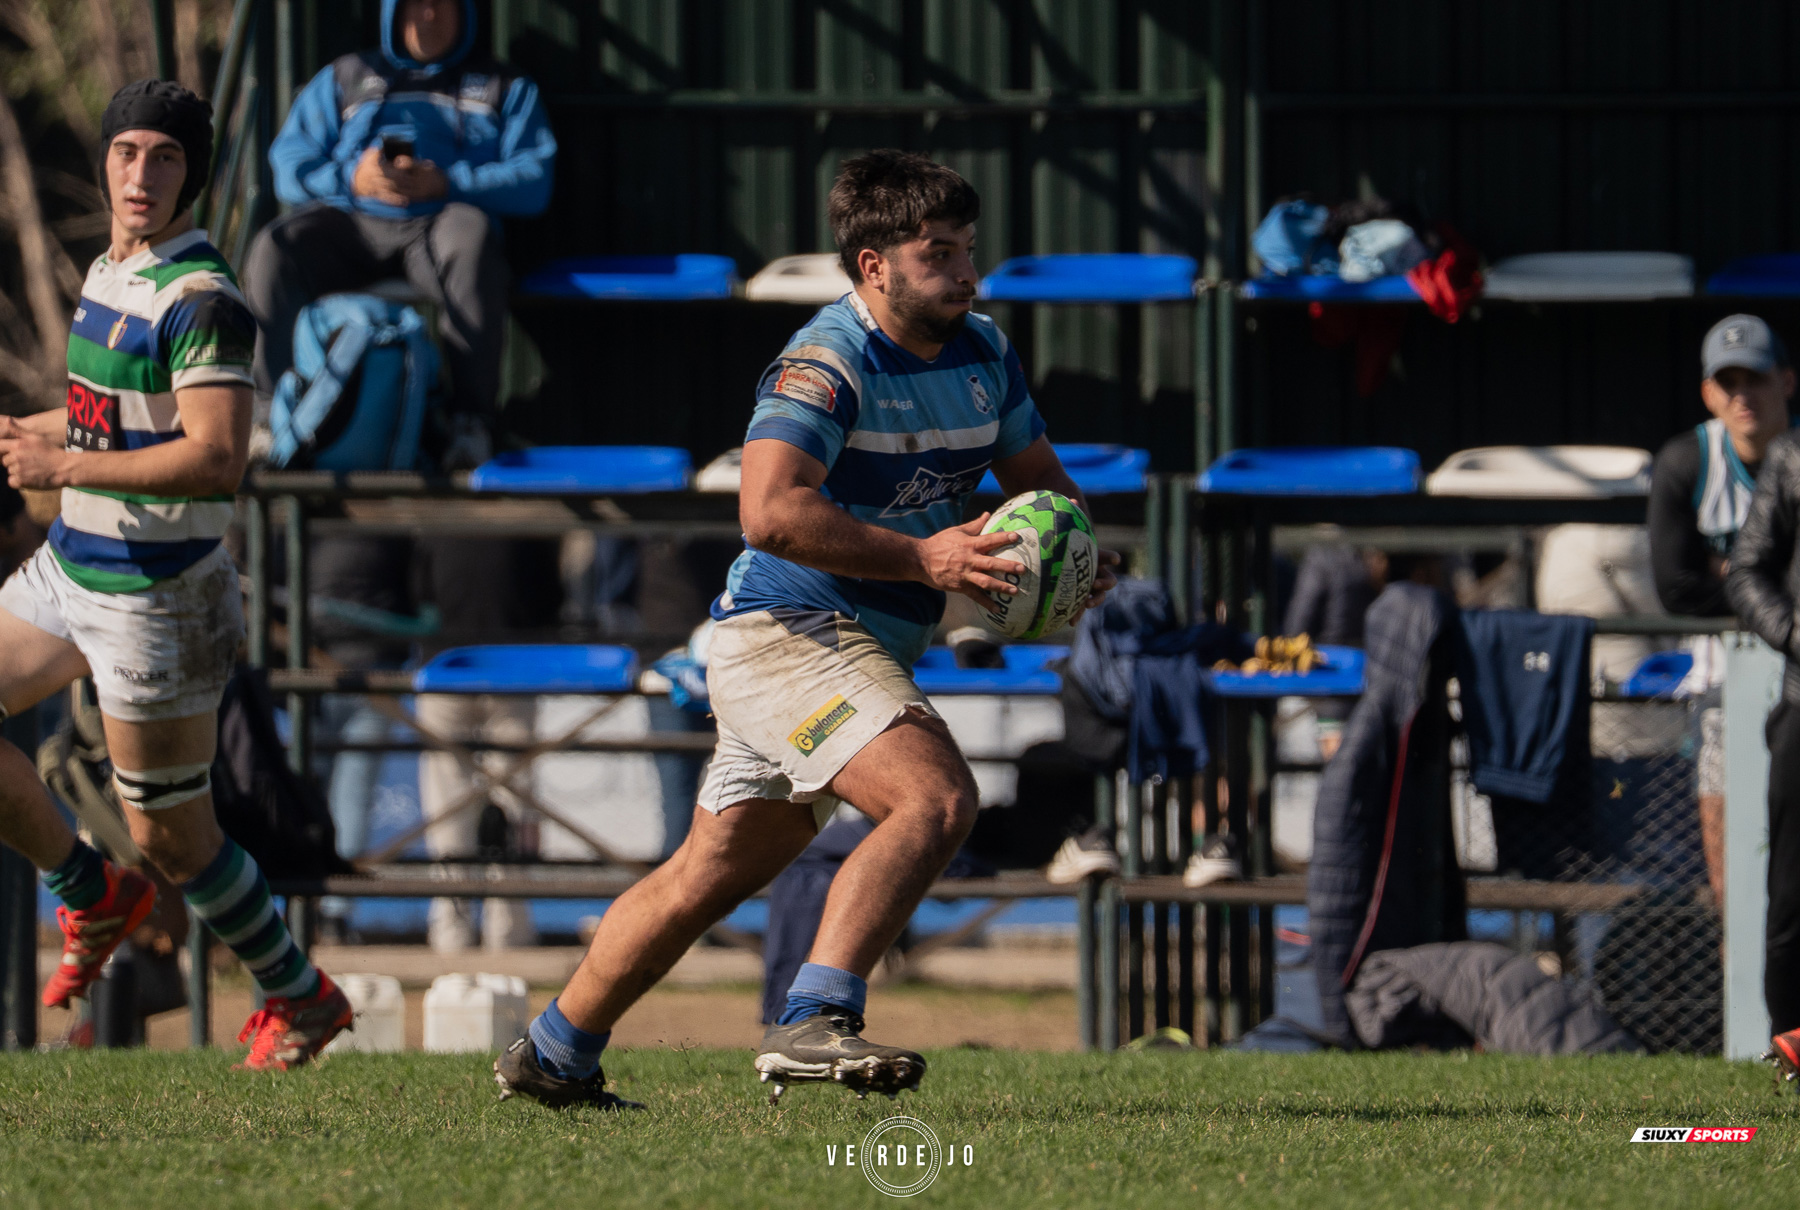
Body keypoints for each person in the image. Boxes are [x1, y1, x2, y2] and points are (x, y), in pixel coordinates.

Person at [492, 151, 1119, 1109]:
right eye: (937, 254)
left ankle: (552, 1054)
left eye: (967, 251)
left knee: (707, 872)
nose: (964, 273)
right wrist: (925, 561)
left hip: (850, 644)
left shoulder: (984, 351)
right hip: (789, 629)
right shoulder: (826, 362)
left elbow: (1039, 481)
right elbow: (770, 513)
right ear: (873, 265)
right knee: (935, 800)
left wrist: (1071, 553)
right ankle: (813, 1017)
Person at [0, 80, 350, 1068]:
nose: (140, 174)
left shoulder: (202, 298)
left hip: (157, 603)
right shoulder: (112, 267)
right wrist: (54, 433)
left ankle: (302, 994)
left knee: (174, 842)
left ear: (192, 171)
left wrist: (63, 464)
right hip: (72, 567)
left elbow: (213, 457)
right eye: (125, 154)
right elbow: (122, 420)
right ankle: (88, 892)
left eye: (162, 157)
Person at [244, 0, 555, 462]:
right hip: (352, 222)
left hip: (441, 225)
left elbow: (535, 178)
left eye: (442, 4)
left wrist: (449, 181)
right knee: (275, 246)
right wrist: (352, 177)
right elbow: (288, 163)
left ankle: (470, 425)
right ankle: (269, 419)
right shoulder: (345, 76)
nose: (428, 15)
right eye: (415, 4)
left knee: (471, 242)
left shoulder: (506, 86)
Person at [1651, 315, 1795, 907]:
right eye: (1727, 382)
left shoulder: (1795, 459)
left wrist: (1735, 573)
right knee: (1732, 888)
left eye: (1755, 378)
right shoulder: (1689, 462)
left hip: (1796, 684)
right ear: (1709, 392)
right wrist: (1761, 584)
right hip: (1719, 694)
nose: (1743, 396)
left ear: (1787, 381)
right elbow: (1674, 586)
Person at [1724, 356, 1800, 1083]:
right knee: (1792, 892)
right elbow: (1747, 571)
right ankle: (1790, 1043)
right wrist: (1797, 632)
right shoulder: (1792, 458)